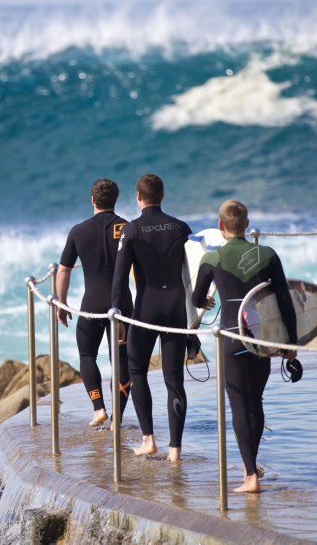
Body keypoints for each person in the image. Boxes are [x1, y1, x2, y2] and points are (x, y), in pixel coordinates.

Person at [191, 199, 298, 493]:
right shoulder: (268, 254)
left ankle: (250, 474)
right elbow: (285, 302)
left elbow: (196, 299)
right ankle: (254, 466)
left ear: (221, 226)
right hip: (261, 338)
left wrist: (206, 301)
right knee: (255, 402)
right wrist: (290, 343)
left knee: (238, 404)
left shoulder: (212, 260)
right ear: (247, 225)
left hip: (230, 338)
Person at [111, 173, 193, 461]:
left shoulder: (131, 231)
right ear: (162, 195)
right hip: (176, 308)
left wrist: (117, 316)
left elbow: (120, 280)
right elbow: (192, 274)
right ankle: (175, 451)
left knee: (137, 372)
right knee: (175, 381)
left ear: (138, 196)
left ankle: (148, 440)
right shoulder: (181, 228)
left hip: (146, 308)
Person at [56, 178, 133, 427]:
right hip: (122, 304)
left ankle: (98, 407)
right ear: (115, 200)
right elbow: (139, 270)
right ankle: (116, 419)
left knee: (87, 354)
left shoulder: (78, 231)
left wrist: (62, 303)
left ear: (92, 200)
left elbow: (64, 270)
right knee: (121, 361)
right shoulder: (128, 228)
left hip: (91, 303)